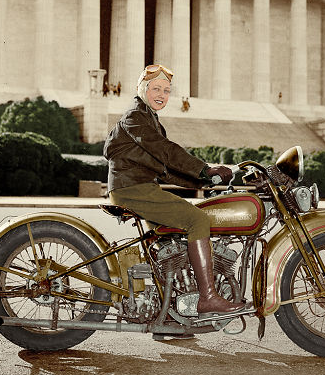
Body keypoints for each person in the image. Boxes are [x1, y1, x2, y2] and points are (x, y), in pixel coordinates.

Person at [103, 63, 248, 316]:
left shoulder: (148, 118)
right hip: (132, 189)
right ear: (142, 89)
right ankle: (208, 298)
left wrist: (206, 181)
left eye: (167, 90)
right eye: (155, 88)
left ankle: (171, 314)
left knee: (173, 238)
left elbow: (166, 169)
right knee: (197, 220)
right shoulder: (135, 116)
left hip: (138, 187)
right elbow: (166, 151)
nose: (161, 95)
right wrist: (204, 168)